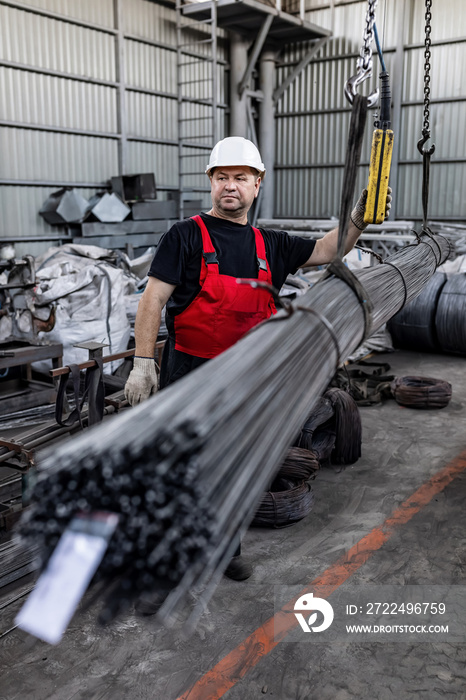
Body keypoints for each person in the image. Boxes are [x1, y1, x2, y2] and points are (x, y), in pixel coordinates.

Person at [125, 136, 391, 595]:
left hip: (248, 381)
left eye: (241, 178)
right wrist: (143, 362)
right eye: (223, 177)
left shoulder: (272, 243)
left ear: (257, 183)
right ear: (210, 182)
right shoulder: (184, 236)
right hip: (190, 376)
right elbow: (153, 300)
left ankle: (225, 551)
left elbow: (329, 250)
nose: (231, 186)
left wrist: (358, 220)